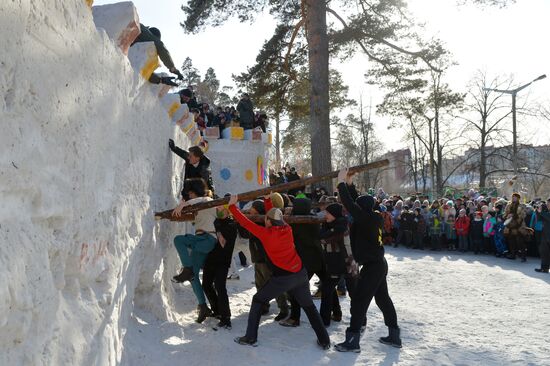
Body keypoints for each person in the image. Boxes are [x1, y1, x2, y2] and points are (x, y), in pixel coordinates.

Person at [227, 195, 330, 349]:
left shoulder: (266, 234)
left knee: (258, 300)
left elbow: (244, 222)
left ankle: (250, 337)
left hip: (284, 278)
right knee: (309, 307)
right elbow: (273, 215)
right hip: (300, 273)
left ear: (268, 222)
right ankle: (324, 340)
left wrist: (232, 207)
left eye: (267, 219)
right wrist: (268, 201)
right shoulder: (287, 228)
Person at [334, 168, 401, 353]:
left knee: (359, 302)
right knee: (383, 300)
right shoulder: (371, 216)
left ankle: (352, 340)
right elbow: (357, 202)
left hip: (373, 267)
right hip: (378, 265)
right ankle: (394, 335)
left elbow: (350, 203)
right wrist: (349, 183)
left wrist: (340, 183)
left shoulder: (366, 218)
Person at [171, 179, 218, 323]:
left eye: (190, 193)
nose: (190, 196)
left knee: (179, 240)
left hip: (208, 238)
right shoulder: (198, 206)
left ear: (195, 191)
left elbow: (201, 199)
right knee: (193, 276)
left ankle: (187, 269)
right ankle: (203, 306)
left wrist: (183, 204)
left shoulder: (207, 200)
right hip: (200, 240)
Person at [279, 198, 325, 327]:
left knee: (295, 290)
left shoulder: (297, 222)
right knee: (328, 287)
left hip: (305, 261)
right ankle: (335, 313)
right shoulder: (313, 218)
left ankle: (294, 318)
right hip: (319, 257)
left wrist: (287, 215)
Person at [244, 199, 289, 321]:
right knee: (260, 284)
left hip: (266, 259)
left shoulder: (262, 225)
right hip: (257, 258)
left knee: (273, 285)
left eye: (253, 208)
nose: (250, 209)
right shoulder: (255, 220)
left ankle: (284, 308)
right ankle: (264, 306)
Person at [202, 202, 238, 329]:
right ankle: (216, 310)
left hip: (222, 261)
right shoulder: (216, 220)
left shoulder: (231, 225)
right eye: (218, 208)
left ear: (228, 211)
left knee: (220, 287)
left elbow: (223, 243)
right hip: (211, 259)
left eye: (221, 208)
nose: (219, 209)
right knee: (206, 284)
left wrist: (217, 228)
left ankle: (226, 317)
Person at [318, 203, 349, 327]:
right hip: (332, 262)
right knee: (329, 289)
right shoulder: (331, 225)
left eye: (328, 213)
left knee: (327, 290)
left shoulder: (340, 226)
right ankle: (336, 314)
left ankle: (323, 320)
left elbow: (323, 238)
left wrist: (326, 230)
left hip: (340, 262)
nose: (325, 215)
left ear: (334, 214)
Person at [534, 203, 550, 273]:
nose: (547, 204)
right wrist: (537, 211)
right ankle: (544, 268)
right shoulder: (546, 211)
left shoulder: (546, 212)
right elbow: (539, 220)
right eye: (547, 203)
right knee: (544, 252)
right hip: (544, 234)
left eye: (549, 203)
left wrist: (542, 212)